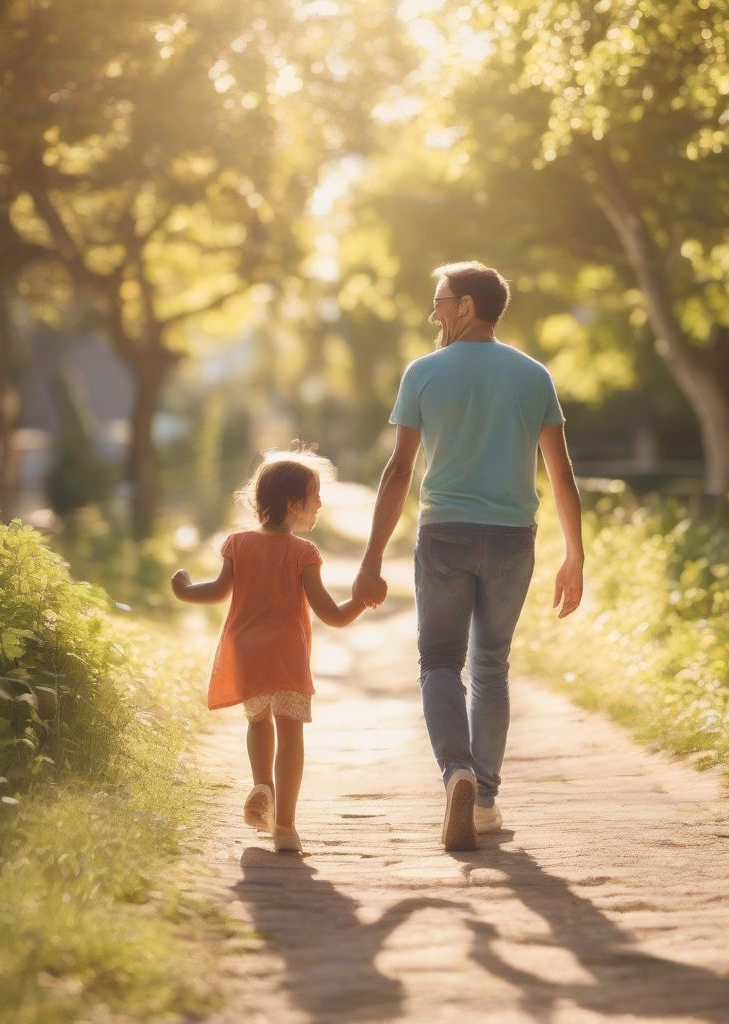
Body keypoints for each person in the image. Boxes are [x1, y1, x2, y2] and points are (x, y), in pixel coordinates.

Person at [353, 260, 584, 852]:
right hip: (513, 538)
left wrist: (372, 557)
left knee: (437, 662)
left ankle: (455, 770)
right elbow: (560, 472)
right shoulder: (534, 375)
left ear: (466, 307)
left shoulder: (424, 373)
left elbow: (399, 469)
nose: (433, 312)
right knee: (491, 667)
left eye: (440, 300)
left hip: (445, 535)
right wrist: (574, 556)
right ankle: (482, 801)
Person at [171, 448, 367, 853]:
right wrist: (361, 602)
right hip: (286, 655)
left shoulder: (237, 544)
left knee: (259, 723)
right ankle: (286, 828)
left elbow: (217, 591)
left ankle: (262, 785)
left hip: (245, 652)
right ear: (295, 505)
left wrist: (185, 589)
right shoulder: (303, 554)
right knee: (290, 732)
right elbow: (330, 613)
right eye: (315, 497)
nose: (320, 505)